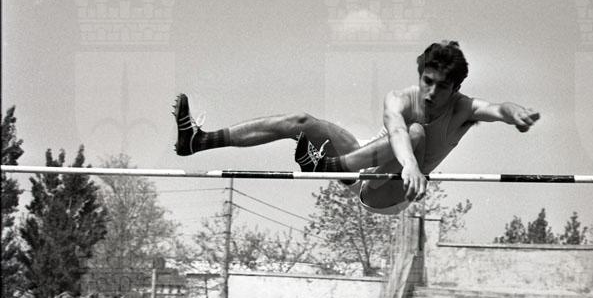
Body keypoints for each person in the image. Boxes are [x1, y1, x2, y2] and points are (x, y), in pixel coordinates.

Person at [173, 40, 540, 214]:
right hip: (369, 164)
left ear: (455, 88)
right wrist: (408, 162)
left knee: (417, 133)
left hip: (389, 193)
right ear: (420, 75)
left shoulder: (464, 109)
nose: (430, 93)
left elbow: (498, 108)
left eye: (441, 87)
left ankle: (331, 168)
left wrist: (517, 113)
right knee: (302, 122)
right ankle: (199, 140)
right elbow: (396, 132)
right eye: (426, 81)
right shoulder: (399, 99)